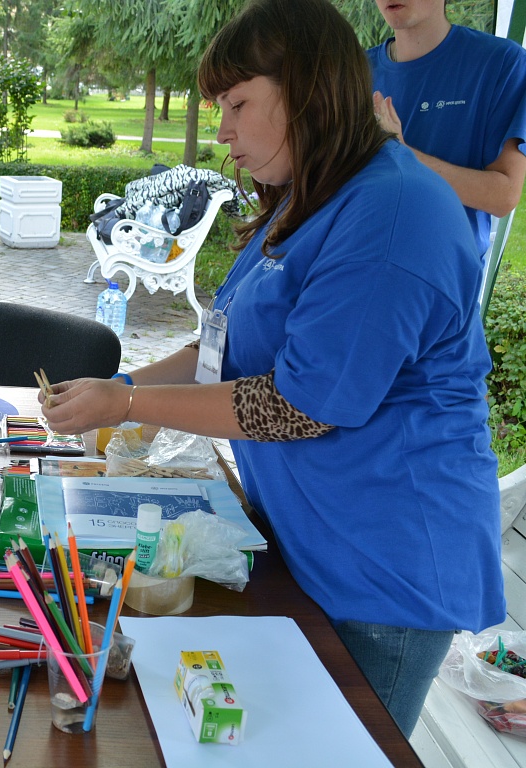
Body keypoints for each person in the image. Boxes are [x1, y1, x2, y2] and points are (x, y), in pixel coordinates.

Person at [40, 0, 503, 738]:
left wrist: (124, 406)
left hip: (382, 569)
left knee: (326, 748)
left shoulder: (392, 212)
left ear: (309, 90)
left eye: (237, 102)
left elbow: (298, 404)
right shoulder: (312, 198)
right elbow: (222, 352)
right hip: (312, 538)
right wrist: (120, 388)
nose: (222, 129)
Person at [368, 0, 526, 260]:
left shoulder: (501, 63)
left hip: (442, 280)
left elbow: (504, 195)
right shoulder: (355, 72)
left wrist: (403, 155)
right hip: (357, 271)